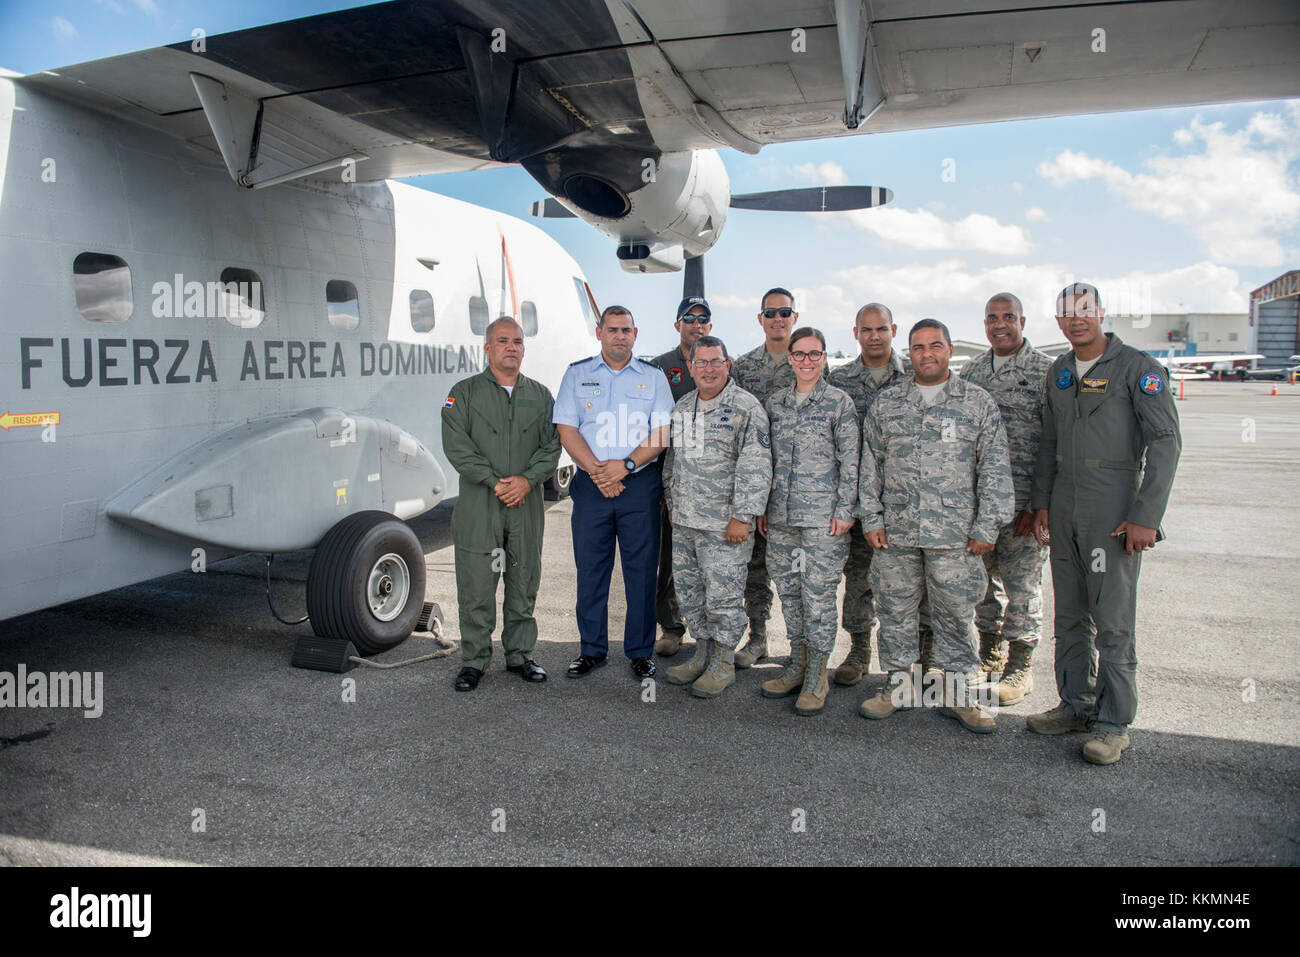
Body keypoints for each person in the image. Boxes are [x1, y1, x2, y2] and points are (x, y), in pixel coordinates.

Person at [1028, 283, 1181, 765]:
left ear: (1100, 313)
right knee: (1070, 615)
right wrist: (1041, 505)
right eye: (1067, 314)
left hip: (1114, 509)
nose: (1076, 320)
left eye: (1085, 311)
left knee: (1112, 621)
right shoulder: (1060, 371)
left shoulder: (1139, 369)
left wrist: (1145, 517)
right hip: (1066, 504)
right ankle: (1075, 704)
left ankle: (1113, 723)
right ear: (1058, 322)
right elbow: (1049, 442)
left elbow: (1166, 443)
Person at [858, 319, 1014, 734]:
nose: (927, 354)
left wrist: (988, 526)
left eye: (936, 345)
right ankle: (898, 686)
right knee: (894, 612)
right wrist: (870, 518)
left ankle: (962, 693)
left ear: (948, 350)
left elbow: (995, 468)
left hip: (956, 535)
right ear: (909, 352)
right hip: (896, 532)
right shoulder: (888, 403)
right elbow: (869, 465)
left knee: (956, 615)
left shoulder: (976, 403)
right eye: (919, 347)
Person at [441, 317, 561, 692]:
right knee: (477, 583)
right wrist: (495, 481)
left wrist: (526, 481)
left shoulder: (540, 396)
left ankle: (519, 655)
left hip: (525, 504)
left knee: (523, 579)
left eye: (518, 341)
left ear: (524, 349)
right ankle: (474, 661)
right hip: (481, 504)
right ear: (487, 348)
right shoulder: (462, 394)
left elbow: (552, 446)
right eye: (503, 340)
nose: (512, 347)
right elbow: (457, 446)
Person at [553, 305, 674, 680]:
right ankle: (591, 650)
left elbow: (663, 432)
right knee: (591, 570)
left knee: (641, 574)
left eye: (626, 330)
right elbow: (567, 429)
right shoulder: (577, 374)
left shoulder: (653, 378)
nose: (619, 336)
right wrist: (597, 470)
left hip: (638, 485)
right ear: (599, 333)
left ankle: (640, 652)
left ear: (635, 335)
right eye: (612, 330)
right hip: (592, 486)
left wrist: (625, 466)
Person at [662, 336, 772, 698]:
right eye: (702, 362)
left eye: (716, 361)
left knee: (723, 598)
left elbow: (756, 466)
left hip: (726, 527)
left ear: (729, 365)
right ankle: (702, 654)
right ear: (690, 367)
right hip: (687, 522)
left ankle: (723, 662)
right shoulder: (683, 407)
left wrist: (744, 515)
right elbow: (673, 460)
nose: (709, 368)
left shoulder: (745, 407)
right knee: (691, 594)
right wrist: (672, 502)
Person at [958, 293, 1053, 704]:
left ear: (1023, 321)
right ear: (984, 324)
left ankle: (1020, 666)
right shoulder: (974, 372)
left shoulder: (1047, 373)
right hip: (980, 507)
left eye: (1008, 317)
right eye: (992, 318)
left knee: (1023, 587)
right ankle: (990, 653)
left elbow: (1056, 442)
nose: (1000, 325)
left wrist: (1040, 504)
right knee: (983, 586)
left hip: (1025, 507)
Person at [758, 328, 859, 716]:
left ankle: (818, 674)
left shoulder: (838, 403)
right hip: (782, 518)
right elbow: (765, 460)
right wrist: (763, 506)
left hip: (822, 522)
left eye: (813, 354)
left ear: (824, 357)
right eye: (799, 354)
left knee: (818, 597)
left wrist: (845, 510)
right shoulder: (776, 403)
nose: (805, 361)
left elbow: (851, 460)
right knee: (791, 593)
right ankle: (797, 664)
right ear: (791, 358)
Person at [826, 302, 911, 686]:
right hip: (855, 501)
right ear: (856, 333)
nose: (874, 336)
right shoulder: (840, 381)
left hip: (902, 500)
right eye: (866, 329)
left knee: (906, 583)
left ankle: (915, 660)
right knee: (857, 578)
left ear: (893, 330)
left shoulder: (913, 375)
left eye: (881, 329)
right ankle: (860, 649)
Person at [729, 287, 799, 668]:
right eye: (770, 313)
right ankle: (757, 639)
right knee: (754, 568)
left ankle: (799, 645)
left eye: (784, 313)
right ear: (760, 319)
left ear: (794, 317)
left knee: (794, 571)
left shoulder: (807, 361)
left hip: (797, 485)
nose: (777, 319)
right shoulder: (743, 367)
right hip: (755, 481)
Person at [649, 296, 713, 658]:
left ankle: (713, 634)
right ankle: (672, 628)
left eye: (703, 319)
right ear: (678, 325)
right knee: (669, 561)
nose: (697, 324)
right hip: (670, 482)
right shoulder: (660, 368)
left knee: (713, 563)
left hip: (713, 482)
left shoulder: (720, 364)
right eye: (689, 318)